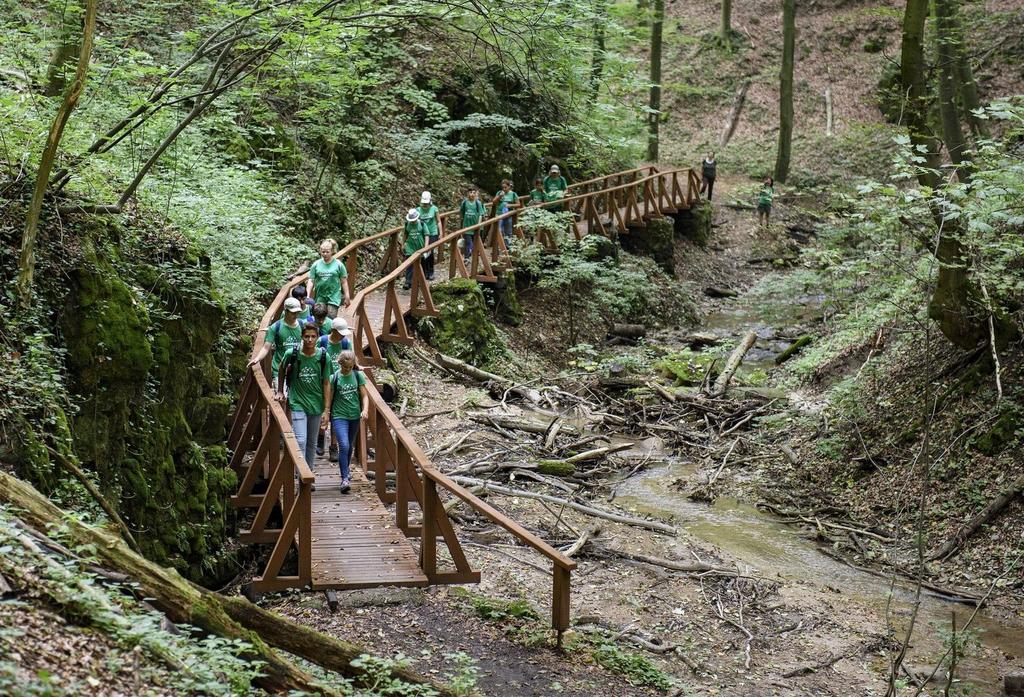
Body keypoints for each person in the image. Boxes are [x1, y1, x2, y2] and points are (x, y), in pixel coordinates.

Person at [277, 323, 330, 487]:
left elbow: (327, 383)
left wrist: (326, 410)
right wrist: (280, 391)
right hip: (297, 401)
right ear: (302, 336)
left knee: (312, 442)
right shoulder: (291, 354)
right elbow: (281, 369)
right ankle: (301, 472)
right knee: (300, 439)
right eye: (306, 336)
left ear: (317, 337)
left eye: (313, 336)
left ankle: (308, 475)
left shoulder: (323, 357)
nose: (309, 339)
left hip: (316, 403)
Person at [325, 350, 368, 494]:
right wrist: (326, 414)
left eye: (351, 367)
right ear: (340, 364)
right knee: (343, 444)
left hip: (354, 416)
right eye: (346, 367)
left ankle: (346, 470)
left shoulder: (358, 376)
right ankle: (344, 478)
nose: (348, 369)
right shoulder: (334, 378)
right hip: (339, 416)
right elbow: (329, 399)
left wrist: (365, 409)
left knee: (349, 446)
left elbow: (364, 396)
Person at [317, 317, 353, 462]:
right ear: (333, 330)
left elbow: (351, 359)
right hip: (324, 383)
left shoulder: (345, 343)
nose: (343, 335)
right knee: (323, 411)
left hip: (339, 383)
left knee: (336, 415)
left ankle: (333, 447)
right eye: (340, 332)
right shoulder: (322, 341)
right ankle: (320, 439)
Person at [249, 295, 305, 385]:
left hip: (297, 369)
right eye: (293, 312)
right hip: (279, 369)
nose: (296, 315)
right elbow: (266, 347)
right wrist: (257, 359)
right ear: (285, 311)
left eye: (297, 312)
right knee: (281, 397)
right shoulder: (276, 327)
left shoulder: (302, 325)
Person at [306, 238, 350, 318]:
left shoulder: (339, 265)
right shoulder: (316, 264)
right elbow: (311, 280)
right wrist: (307, 295)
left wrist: (347, 296)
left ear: (332, 251)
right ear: (320, 252)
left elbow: (344, 281)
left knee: (330, 318)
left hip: (334, 296)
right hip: (320, 296)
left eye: (327, 252)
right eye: (323, 252)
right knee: (319, 318)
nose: (325, 254)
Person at [418, 191, 442, 281]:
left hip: (432, 233)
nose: (425, 204)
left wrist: (441, 233)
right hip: (423, 234)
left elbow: (439, 221)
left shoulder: (434, 209)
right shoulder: (418, 210)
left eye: (426, 203)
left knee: (430, 252)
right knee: (423, 253)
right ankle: (424, 272)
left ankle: (430, 272)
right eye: (424, 203)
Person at [459, 187, 486, 261]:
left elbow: (481, 214)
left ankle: (473, 257)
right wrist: (462, 225)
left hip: (475, 228)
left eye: (474, 193)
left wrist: (479, 225)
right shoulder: (464, 203)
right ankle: (467, 258)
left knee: (475, 243)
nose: (472, 194)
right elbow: (461, 213)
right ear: (468, 194)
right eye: (471, 192)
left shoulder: (478, 203)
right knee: (468, 242)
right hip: (467, 227)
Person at [403, 208, 426, 290]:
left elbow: (426, 235)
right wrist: (403, 243)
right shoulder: (407, 224)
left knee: (420, 264)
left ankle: (419, 281)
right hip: (410, 246)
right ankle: (408, 282)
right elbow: (405, 234)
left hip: (419, 247)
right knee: (409, 264)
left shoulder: (422, 224)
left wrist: (426, 247)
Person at [491, 179, 519, 244]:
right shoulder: (499, 193)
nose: (504, 189)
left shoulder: (513, 194)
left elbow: (518, 204)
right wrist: (500, 196)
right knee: (499, 231)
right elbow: (494, 202)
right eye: (503, 187)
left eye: (505, 187)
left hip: (508, 215)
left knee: (508, 232)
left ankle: (508, 247)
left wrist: (510, 205)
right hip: (499, 214)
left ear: (509, 187)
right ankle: (497, 248)